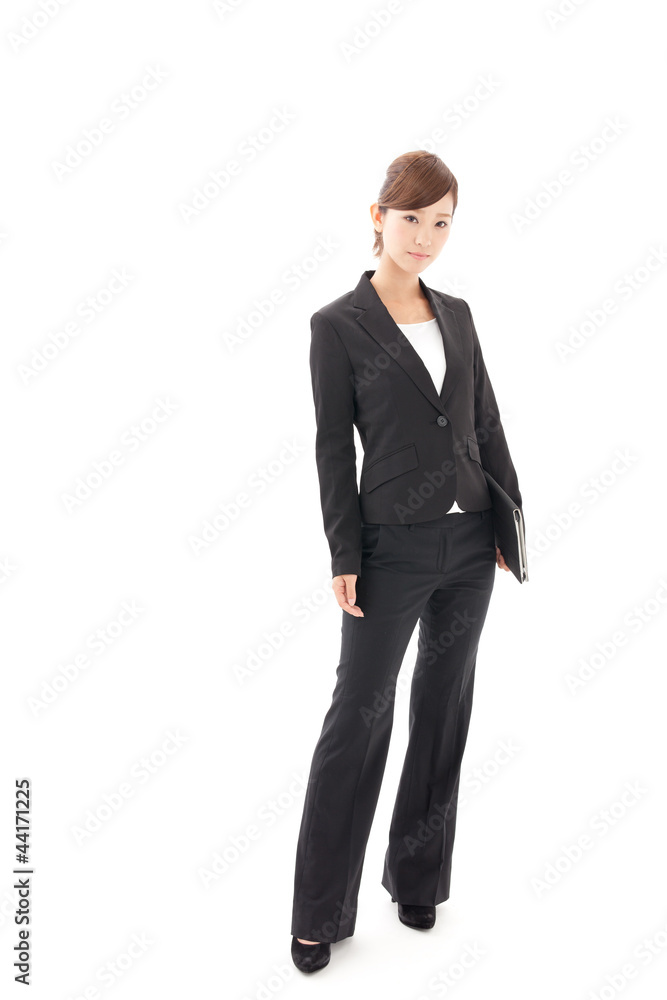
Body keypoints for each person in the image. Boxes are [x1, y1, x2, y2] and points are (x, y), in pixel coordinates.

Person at [290, 150, 524, 974]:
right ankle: (319, 910)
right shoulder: (336, 325)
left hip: (468, 544)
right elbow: (329, 450)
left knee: (444, 707)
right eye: (412, 218)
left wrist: (507, 521)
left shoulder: (457, 314)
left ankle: (417, 877)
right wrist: (343, 551)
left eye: (441, 222)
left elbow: (485, 420)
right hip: (387, 549)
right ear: (377, 217)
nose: (425, 236)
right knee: (357, 720)